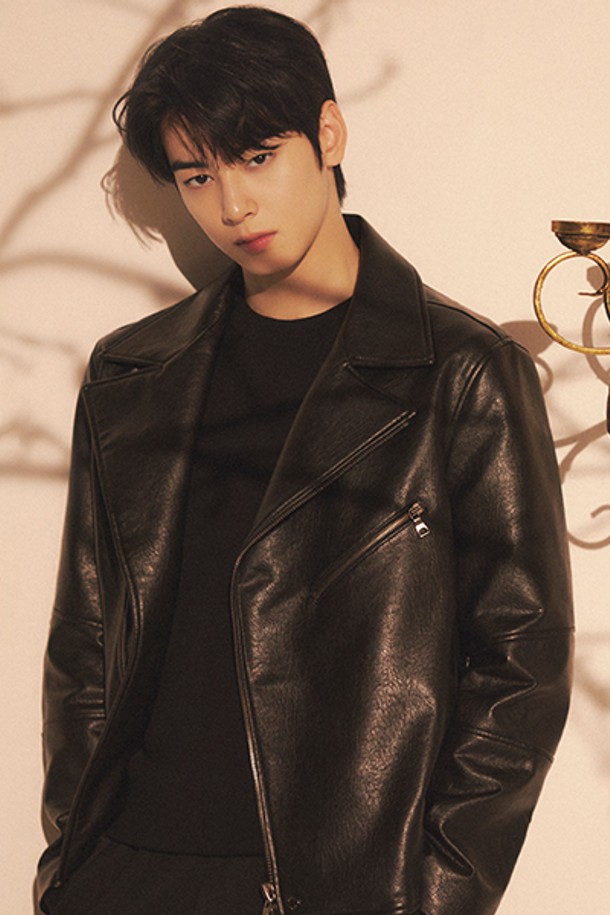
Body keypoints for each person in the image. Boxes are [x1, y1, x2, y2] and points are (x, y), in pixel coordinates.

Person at [36, 6, 574, 915]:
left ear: (328, 133)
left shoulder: (462, 373)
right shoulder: (133, 375)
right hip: (126, 871)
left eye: (257, 157)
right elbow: (84, 641)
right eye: (197, 175)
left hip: (336, 884)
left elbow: (522, 663)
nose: (232, 205)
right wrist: (71, 861)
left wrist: (433, 897)